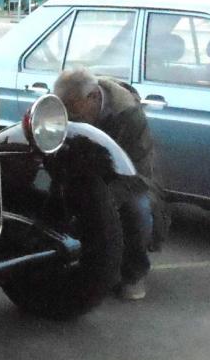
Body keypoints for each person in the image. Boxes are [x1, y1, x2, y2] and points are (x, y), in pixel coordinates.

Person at [53, 67, 167, 300]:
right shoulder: (63, 107)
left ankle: (134, 273)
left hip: (129, 178)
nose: (68, 115)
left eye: (73, 108)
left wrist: (101, 201)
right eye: (63, 108)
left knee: (138, 207)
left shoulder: (129, 115)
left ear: (93, 97)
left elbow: (138, 175)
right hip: (85, 172)